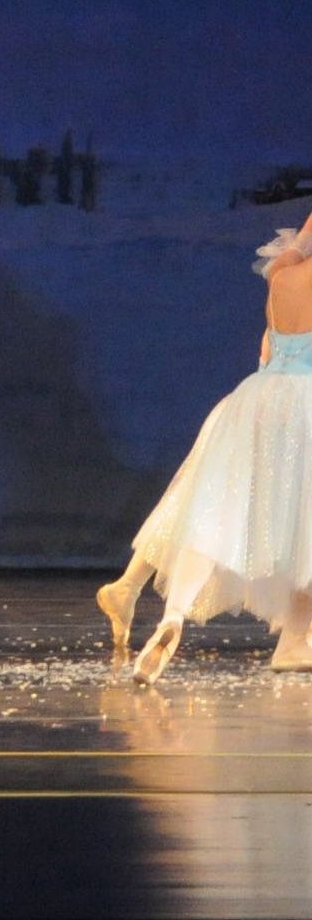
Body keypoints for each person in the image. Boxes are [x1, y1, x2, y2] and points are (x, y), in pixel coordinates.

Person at [97, 207, 312, 684]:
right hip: (306, 406)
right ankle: (295, 639)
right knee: (306, 530)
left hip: (255, 401)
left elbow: (269, 353)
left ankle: (173, 612)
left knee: (214, 509)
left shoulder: (282, 275)